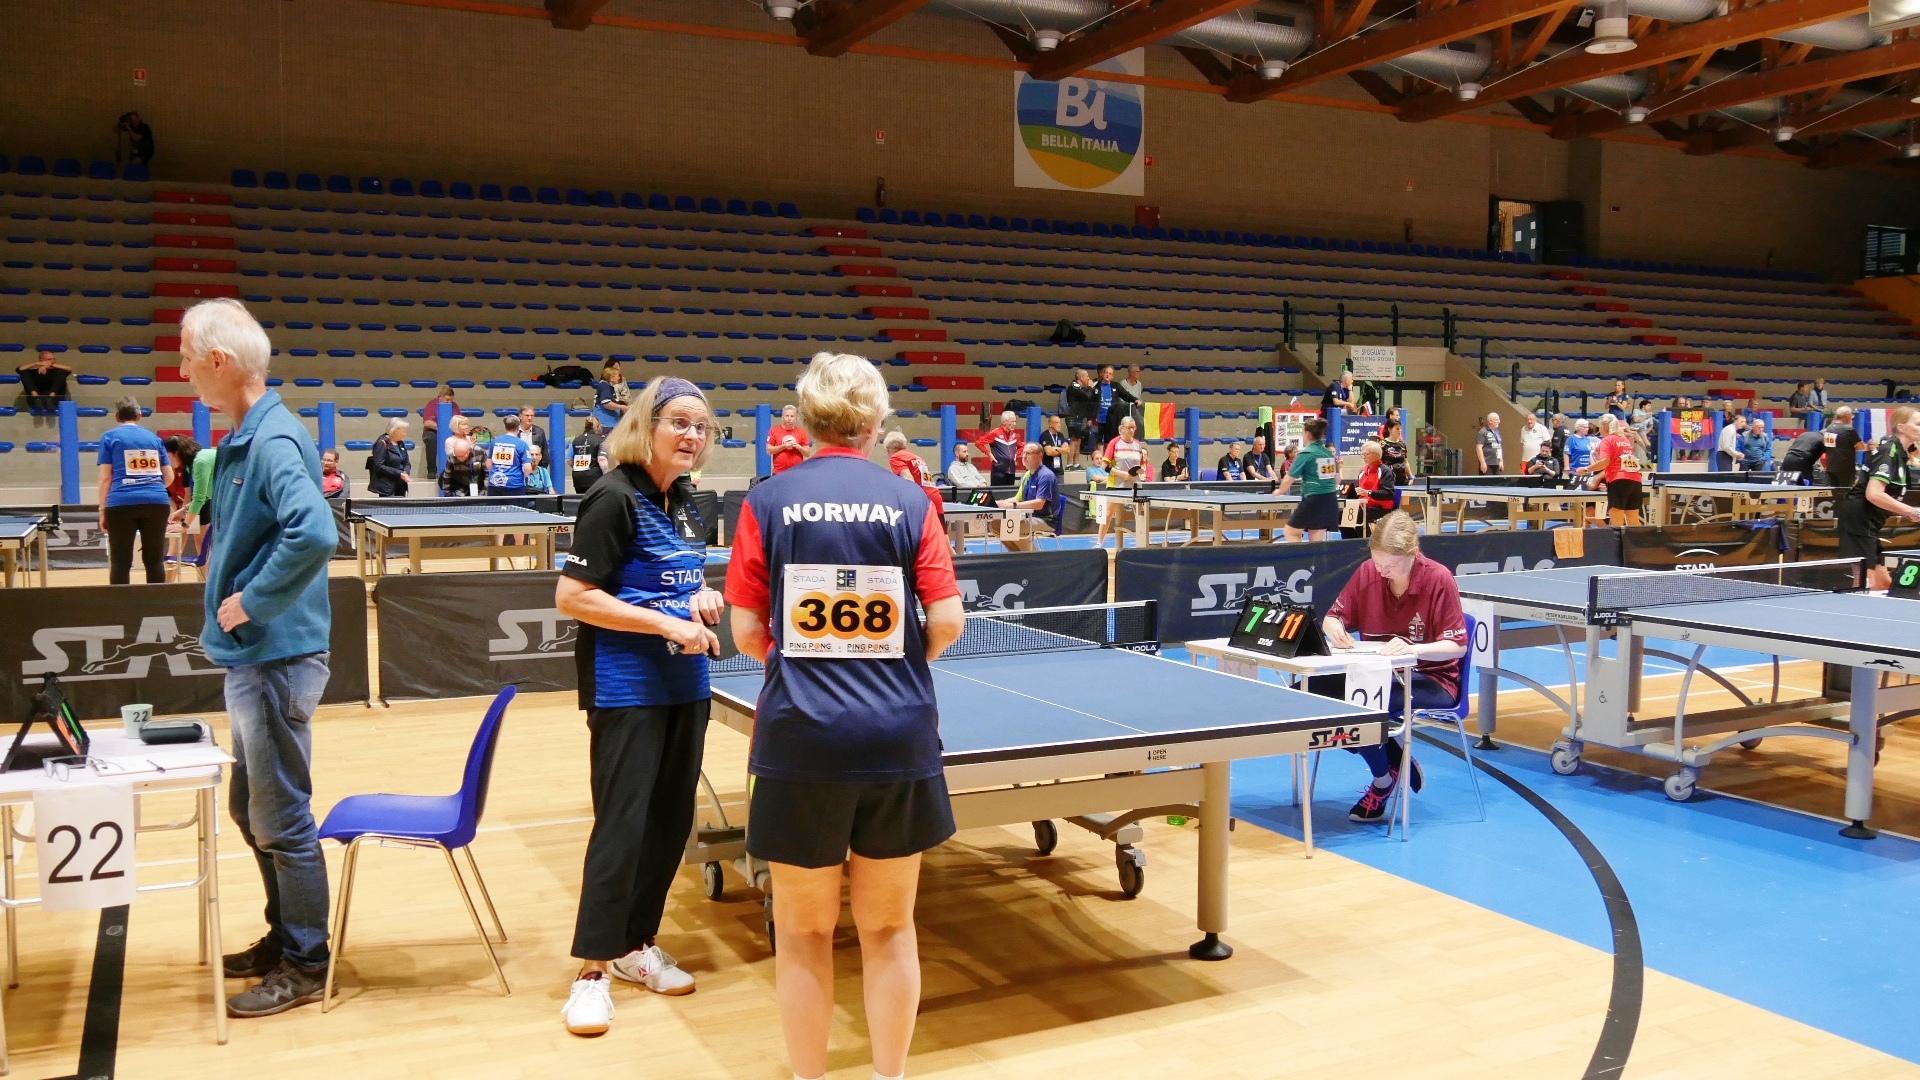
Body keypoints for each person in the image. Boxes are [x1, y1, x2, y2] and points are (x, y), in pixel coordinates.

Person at [723, 352, 966, 1080]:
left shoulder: (767, 501)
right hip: (897, 736)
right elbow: (947, 621)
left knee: (803, 934)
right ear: (877, 419)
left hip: (801, 738)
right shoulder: (909, 501)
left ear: (803, 419)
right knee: (889, 928)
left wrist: (811, 663)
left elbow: (745, 631)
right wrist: (890, 662)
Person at [179, 298, 336, 1017]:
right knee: (252, 808)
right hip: (259, 659)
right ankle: (284, 938)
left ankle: (307, 963)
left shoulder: (272, 439)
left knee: (281, 817)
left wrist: (254, 600)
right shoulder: (250, 435)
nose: (184, 371)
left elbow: (315, 533)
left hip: (276, 657)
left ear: (220, 361)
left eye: (188, 358)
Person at [554, 376, 722, 1036]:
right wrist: (667, 624)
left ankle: (635, 946)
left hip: (686, 683)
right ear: (646, 427)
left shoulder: (689, 500)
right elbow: (574, 596)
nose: (692, 435)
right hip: (626, 687)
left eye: (701, 426)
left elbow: (675, 580)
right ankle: (592, 973)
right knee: (622, 827)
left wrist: (699, 598)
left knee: (669, 823)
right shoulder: (613, 496)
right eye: (679, 422)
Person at [1317, 511, 1467, 824]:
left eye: (1391, 565)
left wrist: (1415, 649)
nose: (1383, 571)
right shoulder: (1368, 572)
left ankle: (1383, 781)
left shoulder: (1439, 579)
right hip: (1376, 675)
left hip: (1431, 679)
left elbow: (1458, 645)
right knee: (1304, 698)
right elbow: (1332, 617)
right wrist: (1336, 630)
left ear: (1413, 554)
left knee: (1362, 707)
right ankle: (1391, 752)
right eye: (1378, 563)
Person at [1836, 405, 1920, 592]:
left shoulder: (1901, 454)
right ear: (1901, 427)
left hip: (1871, 524)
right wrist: (1911, 511)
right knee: (1867, 584)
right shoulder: (1888, 452)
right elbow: (1874, 494)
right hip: (1858, 521)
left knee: (1883, 584)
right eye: (1918, 424)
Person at [97, 396, 173, 585]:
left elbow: (105, 477)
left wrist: (102, 510)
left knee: (120, 562)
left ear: (117, 417)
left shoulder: (109, 437)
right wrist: (151, 488)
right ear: (139, 416)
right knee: (155, 560)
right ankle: (157, 601)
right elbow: (169, 476)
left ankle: (122, 603)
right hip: (157, 502)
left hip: (121, 503)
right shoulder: (154, 439)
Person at [1279, 416, 1340, 541]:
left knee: (1291, 532)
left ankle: (1302, 555)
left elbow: (1289, 478)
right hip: (1330, 499)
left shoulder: (1306, 454)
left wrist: (1279, 491)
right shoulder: (1328, 453)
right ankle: (1313, 555)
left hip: (1314, 500)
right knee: (1316, 538)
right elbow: (1337, 479)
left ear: (1307, 434)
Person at [1096, 415, 1148, 548]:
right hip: (1116, 484)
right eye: (1129, 427)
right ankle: (1099, 543)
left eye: (1133, 427)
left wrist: (1140, 471)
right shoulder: (1114, 443)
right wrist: (1122, 474)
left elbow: (1142, 465)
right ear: (1122, 428)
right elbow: (1104, 466)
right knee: (1108, 515)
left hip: (1134, 485)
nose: (1131, 430)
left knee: (1142, 513)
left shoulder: (1138, 445)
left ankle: (1143, 544)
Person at [998, 441, 1059, 551]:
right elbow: (1018, 498)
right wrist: (999, 503)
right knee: (995, 524)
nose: (1024, 456)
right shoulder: (1027, 475)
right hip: (1028, 516)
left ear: (1040, 456)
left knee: (1008, 528)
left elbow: (1039, 504)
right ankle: (1019, 554)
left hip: (1045, 520)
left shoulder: (1046, 475)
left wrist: (1013, 506)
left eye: (1028, 453)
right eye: (1023, 453)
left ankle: (1033, 556)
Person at [1590, 414, 1648, 526]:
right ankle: (1641, 538)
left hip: (1619, 481)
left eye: (1600, 426)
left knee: (1617, 522)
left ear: (1604, 426)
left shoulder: (1607, 440)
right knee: (1633, 521)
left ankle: (1617, 538)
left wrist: (1586, 469)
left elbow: (1605, 462)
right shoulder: (1624, 440)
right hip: (1635, 480)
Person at [1340, 440, 1398, 539]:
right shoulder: (1362, 471)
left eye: (1366, 454)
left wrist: (1369, 493)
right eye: (1362, 454)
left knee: (1357, 517)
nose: (1363, 457)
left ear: (1377, 455)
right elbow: (1359, 493)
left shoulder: (1385, 471)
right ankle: (1351, 543)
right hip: (1363, 505)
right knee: (1342, 516)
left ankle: (1367, 542)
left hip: (1380, 507)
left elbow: (1388, 493)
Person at [885, 431, 943, 523]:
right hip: (936, 497)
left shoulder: (896, 457)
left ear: (888, 449)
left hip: (923, 502)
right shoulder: (916, 457)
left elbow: (908, 479)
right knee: (940, 530)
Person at [485, 413, 533, 497]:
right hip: (515, 485)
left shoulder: (495, 441)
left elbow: (489, 464)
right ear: (519, 427)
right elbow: (528, 468)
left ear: (506, 427)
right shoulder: (522, 444)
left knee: (494, 506)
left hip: (494, 483)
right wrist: (522, 477)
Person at [16, 350, 75, 416]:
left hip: (54, 400)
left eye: (54, 359)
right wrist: (35, 364)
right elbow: (19, 369)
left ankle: (51, 397)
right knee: (24, 373)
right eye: (49, 359)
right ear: (41, 360)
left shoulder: (58, 372)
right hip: (36, 401)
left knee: (61, 372)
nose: (52, 361)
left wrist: (50, 365)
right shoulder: (34, 372)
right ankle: (36, 397)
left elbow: (69, 369)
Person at [368, 417, 412, 497]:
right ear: (395, 431)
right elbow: (379, 466)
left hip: (400, 484)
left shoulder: (401, 443)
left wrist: (406, 472)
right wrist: (399, 473)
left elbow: (406, 462)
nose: (405, 434)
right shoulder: (382, 443)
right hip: (387, 487)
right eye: (403, 431)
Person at [1820, 406, 1861, 489]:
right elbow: (1860, 447)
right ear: (1846, 416)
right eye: (1851, 415)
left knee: (1833, 492)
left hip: (1830, 467)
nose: (1852, 418)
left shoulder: (1829, 428)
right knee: (1845, 492)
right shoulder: (1848, 429)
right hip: (1845, 469)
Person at [1093, 364, 1136, 444]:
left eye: (1110, 374)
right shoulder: (1096, 385)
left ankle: (1107, 452)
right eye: (1106, 372)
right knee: (1097, 442)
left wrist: (1135, 400)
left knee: (1109, 442)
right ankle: (1098, 452)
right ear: (1103, 373)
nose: (1107, 375)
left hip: (1111, 419)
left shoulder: (1116, 386)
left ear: (1112, 376)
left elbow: (1125, 395)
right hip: (1098, 419)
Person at [420, 384, 458, 475]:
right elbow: (427, 423)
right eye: (447, 400)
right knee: (430, 439)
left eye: (451, 400)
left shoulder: (455, 406)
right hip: (434, 431)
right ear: (441, 397)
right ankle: (432, 471)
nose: (449, 402)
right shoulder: (432, 404)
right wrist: (443, 428)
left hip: (451, 431)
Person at [1064, 368, 1100, 457]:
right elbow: (1087, 397)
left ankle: (1076, 462)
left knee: (1078, 440)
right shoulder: (1074, 387)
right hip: (1073, 417)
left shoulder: (1080, 388)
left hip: (1079, 417)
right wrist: (1090, 387)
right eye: (1087, 376)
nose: (1088, 378)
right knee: (1074, 440)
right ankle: (1070, 462)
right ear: (1081, 378)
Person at [767, 403, 811, 475]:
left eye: (792, 416)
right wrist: (784, 446)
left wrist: (799, 447)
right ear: (782, 417)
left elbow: (807, 453)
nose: (789, 418)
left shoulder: (801, 432)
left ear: (796, 418)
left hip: (796, 472)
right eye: (787, 416)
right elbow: (769, 450)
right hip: (779, 472)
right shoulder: (774, 430)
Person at [593, 359, 631, 434]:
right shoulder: (604, 385)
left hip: (610, 423)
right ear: (612, 377)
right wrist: (622, 407)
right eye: (617, 376)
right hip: (605, 424)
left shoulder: (610, 387)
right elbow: (606, 403)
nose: (619, 378)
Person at [571, 415, 607, 493]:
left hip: (577, 478)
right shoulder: (601, 440)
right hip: (594, 478)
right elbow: (601, 459)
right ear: (598, 427)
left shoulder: (576, 440)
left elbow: (570, 460)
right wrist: (607, 476)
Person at [985, 410, 1022, 486]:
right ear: (1004, 422)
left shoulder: (1015, 435)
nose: (1014, 424)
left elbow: (1022, 447)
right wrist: (989, 454)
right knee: (997, 492)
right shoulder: (995, 433)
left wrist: (1016, 454)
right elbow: (979, 443)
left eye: (1015, 421)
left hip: (1011, 471)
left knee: (1009, 492)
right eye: (1012, 421)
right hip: (999, 471)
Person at [163, 434, 197, 511]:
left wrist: (183, 512)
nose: (165, 459)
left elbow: (194, 496)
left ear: (177, 452)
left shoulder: (194, 465)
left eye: (166, 456)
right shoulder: (167, 470)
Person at [1379, 415, 1410, 487]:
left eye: (1400, 428)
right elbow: (1378, 463)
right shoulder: (1382, 444)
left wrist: (1410, 476)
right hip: (1388, 480)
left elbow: (1405, 462)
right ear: (1390, 429)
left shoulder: (1402, 444)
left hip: (1402, 480)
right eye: (1397, 429)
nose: (1400, 431)